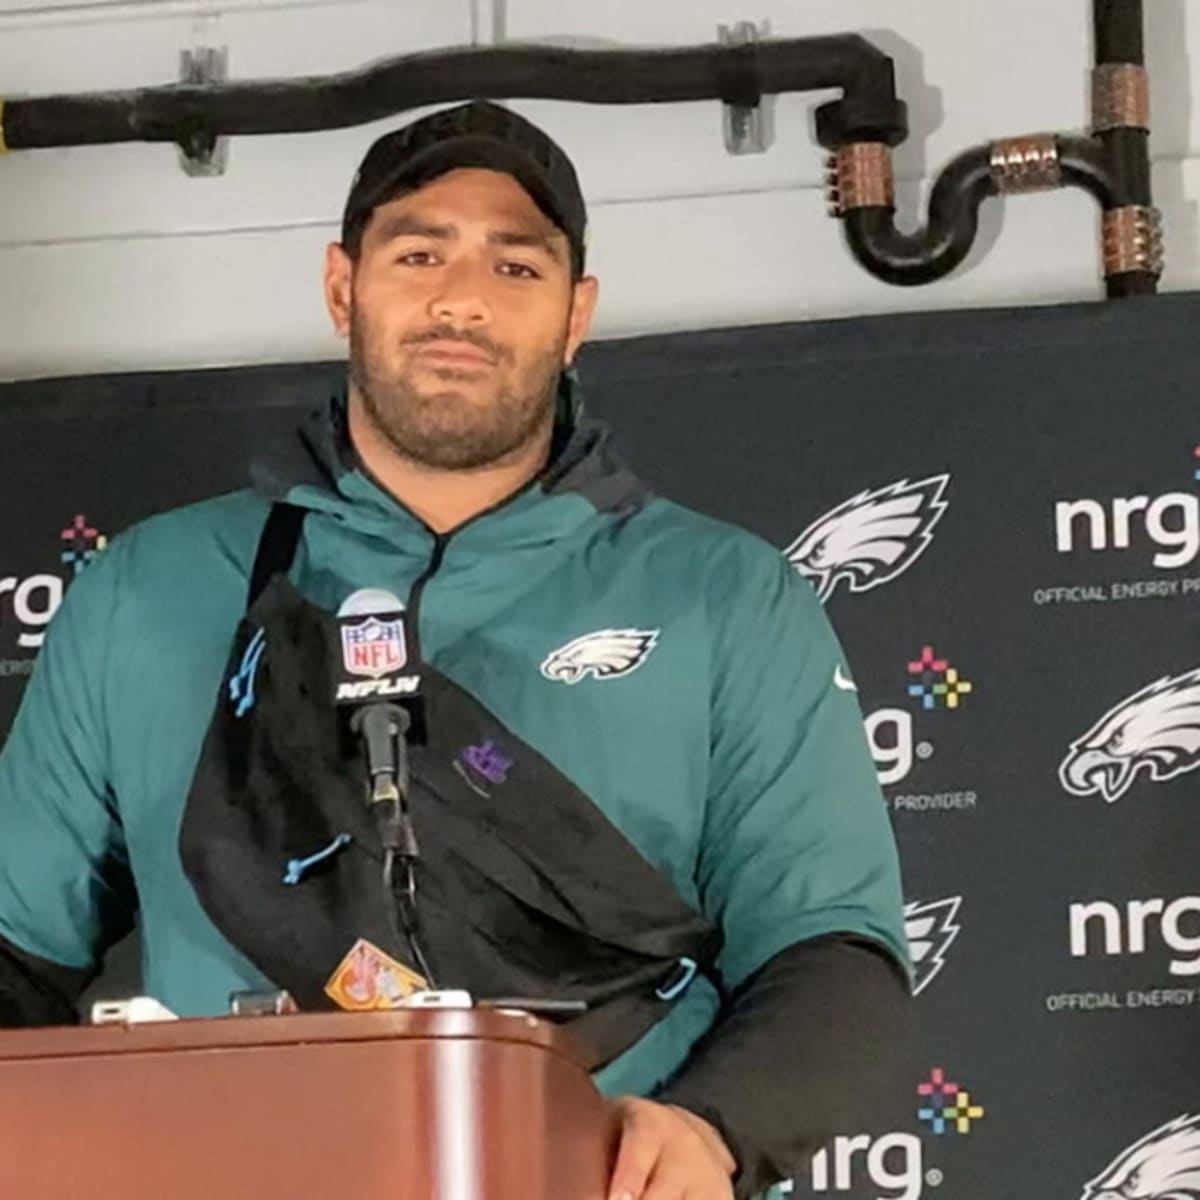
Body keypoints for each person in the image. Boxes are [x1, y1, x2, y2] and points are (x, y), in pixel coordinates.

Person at [0, 101, 912, 1199]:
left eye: (516, 267)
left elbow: (831, 952)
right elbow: (12, 947)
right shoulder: (147, 592)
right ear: (342, 285)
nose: (462, 300)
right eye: (419, 253)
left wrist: (712, 1130)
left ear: (576, 316)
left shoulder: (726, 596)